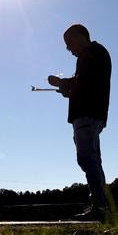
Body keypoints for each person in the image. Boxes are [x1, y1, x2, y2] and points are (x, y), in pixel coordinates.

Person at [48, 24, 112, 220]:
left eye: (69, 43)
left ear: (80, 36)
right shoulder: (94, 54)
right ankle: (101, 205)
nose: (69, 49)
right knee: (93, 159)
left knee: (86, 159)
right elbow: (86, 85)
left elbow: (85, 82)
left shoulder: (92, 54)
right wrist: (68, 90)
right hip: (92, 114)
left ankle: (99, 206)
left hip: (87, 114)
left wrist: (62, 83)